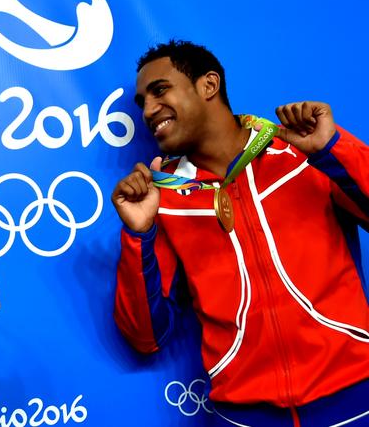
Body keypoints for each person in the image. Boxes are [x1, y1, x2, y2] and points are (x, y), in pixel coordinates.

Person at [112, 40, 369, 426]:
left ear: (208, 85)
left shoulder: (301, 154)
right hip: (244, 416)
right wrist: (139, 236)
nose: (148, 111)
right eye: (142, 101)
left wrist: (331, 148)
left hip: (354, 398)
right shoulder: (164, 200)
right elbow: (146, 336)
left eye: (160, 90)